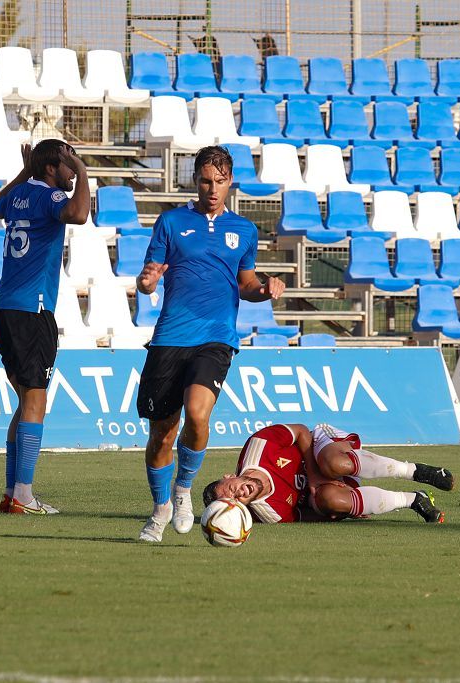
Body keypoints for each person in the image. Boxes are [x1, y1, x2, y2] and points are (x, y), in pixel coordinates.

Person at [134, 145, 285, 542]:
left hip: (216, 337)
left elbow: (245, 283)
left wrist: (265, 288)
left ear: (229, 182)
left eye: (219, 181)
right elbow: (147, 278)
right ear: (195, 180)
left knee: (198, 415)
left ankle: (183, 488)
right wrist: (147, 282)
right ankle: (160, 509)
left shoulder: (244, 230)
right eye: (205, 180)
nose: (212, 188)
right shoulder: (170, 222)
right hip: (170, 337)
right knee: (163, 434)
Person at [0, 139, 90, 515]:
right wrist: (82, 173)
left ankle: (13, 492)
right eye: (65, 162)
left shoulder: (17, 196)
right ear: (52, 168)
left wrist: (25, 172)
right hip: (33, 310)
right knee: (36, 401)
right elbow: (79, 216)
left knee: (25, 402)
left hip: (4, 309)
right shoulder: (50, 198)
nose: (70, 168)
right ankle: (24, 495)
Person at [202, 423, 455, 524]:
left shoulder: (258, 446)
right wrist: (341, 512)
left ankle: (413, 471)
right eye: (234, 500)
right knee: (331, 502)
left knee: (332, 465)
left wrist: (313, 476)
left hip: (322, 449)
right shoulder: (268, 513)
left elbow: (302, 432)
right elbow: (305, 515)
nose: (238, 493)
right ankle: (413, 499)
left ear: (228, 476)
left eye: (230, 489)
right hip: (328, 488)